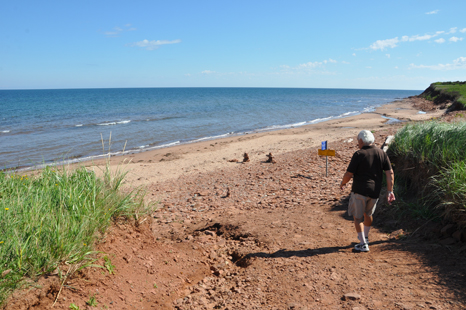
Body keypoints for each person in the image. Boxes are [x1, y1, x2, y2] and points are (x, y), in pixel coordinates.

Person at [340, 130, 395, 252]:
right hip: (374, 191)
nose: (357, 144)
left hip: (360, 190)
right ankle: (365, 238)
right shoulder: (382, 153)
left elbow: (349, 174)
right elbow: (390, 173)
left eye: (357, 141)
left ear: (361, 141)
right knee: (368, 215)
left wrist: (343, 183)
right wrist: (390, 191)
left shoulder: (359, 154)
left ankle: (363, 244)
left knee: (357, 218)